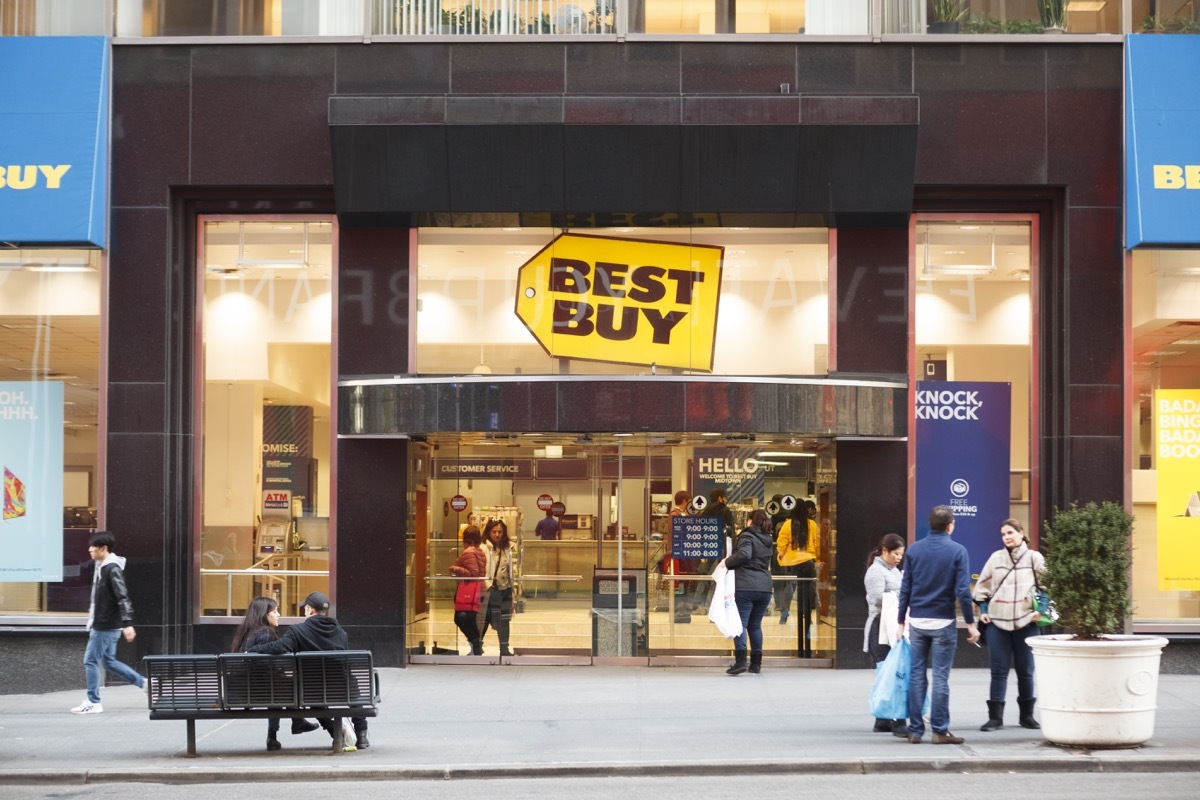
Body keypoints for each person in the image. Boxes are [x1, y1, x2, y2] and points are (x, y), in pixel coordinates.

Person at [895, 505, 980, 745]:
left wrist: (901, 621)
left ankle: (915, 730)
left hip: (918, 621)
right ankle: (940, 730)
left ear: (930, 524)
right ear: (950, 525)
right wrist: (971, 623)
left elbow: (906, 589)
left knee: (917, 675)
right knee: (941, 677)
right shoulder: (958, 551)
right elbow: (963, 591)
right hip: (943, 620)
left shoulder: (913, 551)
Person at [247, 592, 369, 750]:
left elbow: (280, 647)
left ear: (311, 610)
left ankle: (333, 729)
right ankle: (362, 736)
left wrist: (254, 649)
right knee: (353, 687)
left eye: (305, 608)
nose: (304, 610)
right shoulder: (340, 633)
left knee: (311, 693)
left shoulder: (297, 631)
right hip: (342, 689)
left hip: (311, 690)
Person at [972, 517, 1046, 732]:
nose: (1007, 537)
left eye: (1010, 533)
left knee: (1026, 671)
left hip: (1027, 623)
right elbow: (981, 589)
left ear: (1021, 533)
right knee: (998, 671)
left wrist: (1040, 611)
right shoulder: (995, 558)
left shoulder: (1034, 558)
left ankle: (1027, 717)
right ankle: (995, 718)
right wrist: (984, 612)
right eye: (1004, 534)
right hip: (998, 623)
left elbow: (1048, 586)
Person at [71, 531, 147, 715]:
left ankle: (93, 702)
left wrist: (127, 623)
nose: (89, 549)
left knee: (90, 661)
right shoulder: (103, 567)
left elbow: (122, 596)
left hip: (105, 625)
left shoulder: (111, 568)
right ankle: (144, 683)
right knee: (109, 661)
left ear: (103, 549)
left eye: (93, 546)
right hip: (107, 623)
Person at [230, 596, 319, 750]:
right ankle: (295, 722)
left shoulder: (245, 632)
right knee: (283, 684)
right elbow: (265, 666)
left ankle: (284, 731)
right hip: (261, 691)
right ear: (264, 614)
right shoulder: (266, 632)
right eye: (275, 611)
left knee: (276, 685)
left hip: (242, 691)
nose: (278, 615)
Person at [864, 532, 907, 734]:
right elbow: (875, 598)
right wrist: (903, 595)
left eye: (901, 554)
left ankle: (882, 719)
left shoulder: (894, 570)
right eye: (896, 554)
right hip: (880, 627)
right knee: (892, 673)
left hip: (891, 626)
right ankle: (896, 719)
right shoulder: (875, 571)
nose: (899, 558)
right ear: (884, 551)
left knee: (889, 673)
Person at [723, 509, 774, 675]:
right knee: (755, 625)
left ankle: (740, 662)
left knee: (740, 624)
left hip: (746, 585)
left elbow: (745, 554)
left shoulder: (747, 535)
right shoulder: (768, 538)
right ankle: (756, 664)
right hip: (764, 587)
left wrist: (727, 562)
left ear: (751, 521)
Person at [775, 500, 820, 658]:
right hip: (808, 562)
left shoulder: (787, 524)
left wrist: (781, 557)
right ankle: (807, 619)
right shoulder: (812, 525)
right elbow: (817, 543)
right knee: (808, 590)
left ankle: (784, 613)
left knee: (791, 586)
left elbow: (781, 543)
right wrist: (816, 558)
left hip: (792, 562)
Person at [479, 518, 517, 656]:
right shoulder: (483, 548)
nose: (497, 534)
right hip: (489, 589)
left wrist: (513, 593)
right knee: (484, 619)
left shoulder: (508, 548)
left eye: (500, 532)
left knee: (504, 620)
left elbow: (511, 571)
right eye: (494, 531)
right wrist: (486, 585)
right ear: (488, 532)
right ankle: (477, 647)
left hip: (504, 588)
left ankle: (504, 649)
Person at [449, 525, 487, 655]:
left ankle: (476, 643)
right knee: (470, 619)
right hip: (477, 589)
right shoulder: (479, 551)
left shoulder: (469, 552)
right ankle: (476, 646)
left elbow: (473, 573)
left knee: (460, 618)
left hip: (467, 590)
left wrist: (455, 569)